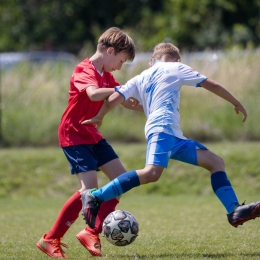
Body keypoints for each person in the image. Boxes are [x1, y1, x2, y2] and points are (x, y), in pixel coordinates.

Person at [81, 42, 260, 232]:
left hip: (173, 136)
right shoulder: (176, 67)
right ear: (178, 60)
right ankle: (96, 196)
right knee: (151, 173)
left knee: (216, 162)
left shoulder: (140, 77)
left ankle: (234, 211)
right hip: (162, 129)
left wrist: (99, 117)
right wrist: (237, 102)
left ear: (152, 62)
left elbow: (114, 98)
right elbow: (211, 84)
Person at [36, 27, 143, 258]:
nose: (119, 67)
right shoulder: (84, 70)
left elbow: (121, 98)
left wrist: (147, 105)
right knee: (89, 189)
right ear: (110, 51)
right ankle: (50, 239)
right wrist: (119, 89)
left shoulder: (106, 73)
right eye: (121, 61)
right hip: (73, 134)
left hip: (91, 134)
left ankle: (90, 232)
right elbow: (94, 94)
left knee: (121, 181)